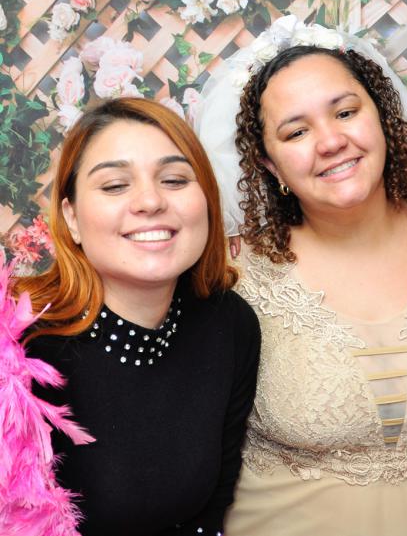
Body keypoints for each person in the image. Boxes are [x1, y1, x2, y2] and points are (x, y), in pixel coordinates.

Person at [197, 16, 407, 536]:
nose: (330, 141)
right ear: (270, 165)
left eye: (346, 112)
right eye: (297, 132)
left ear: (381, 117)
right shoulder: (236, 275)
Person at [5, 98, 261, 536]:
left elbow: (212, 510)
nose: (150, 201)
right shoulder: (18, 351)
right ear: (71, 218)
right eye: (114, 185)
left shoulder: (229, 324)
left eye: (174, 179)